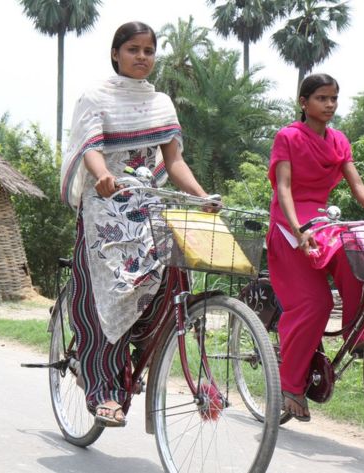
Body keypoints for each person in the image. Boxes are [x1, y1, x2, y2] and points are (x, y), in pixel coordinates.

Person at [60, 21, 210, 426]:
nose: (142, 57)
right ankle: (103, 390)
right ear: (116, 54)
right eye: (133, 50)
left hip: (149, 207)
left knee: (170, 282)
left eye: (148, 50)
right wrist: (103, 176)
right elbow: (91, 147)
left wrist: (201, 196)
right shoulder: (95, 96)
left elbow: (174, 161)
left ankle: (135, 358)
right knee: (110, 293)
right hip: (106, 207)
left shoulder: (160, 102)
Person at [266, 73, 364, 421]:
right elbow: (284, 188)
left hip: (323, 222)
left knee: (357, 260)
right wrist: (297, 228)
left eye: (333, 98)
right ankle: (291, 384)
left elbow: (358, 187)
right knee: (315, 303)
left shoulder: (339, 141)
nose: (329, 105)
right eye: (321, 98)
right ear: (303, 103)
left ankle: (360, 336)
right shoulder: (288, 137)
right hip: (290, 225)